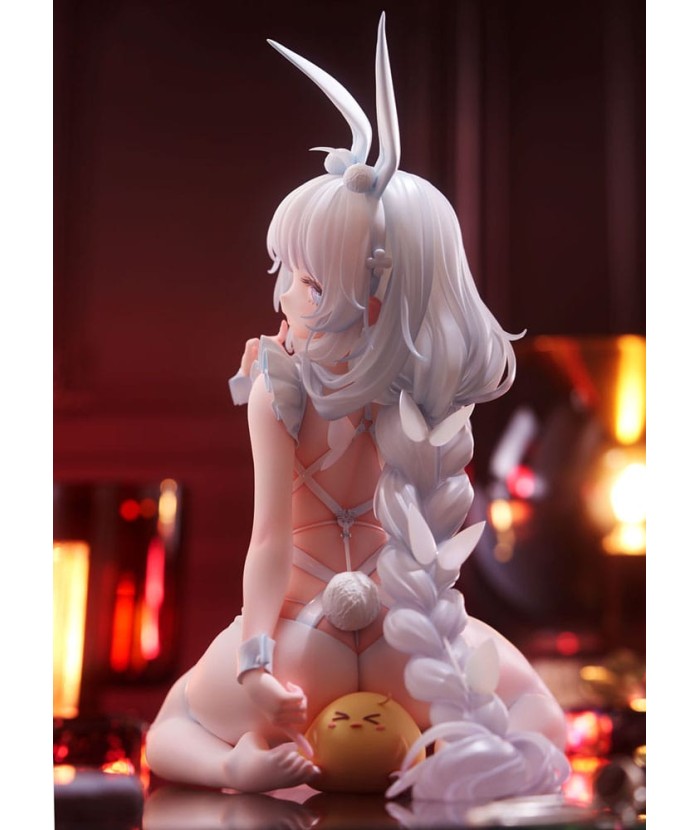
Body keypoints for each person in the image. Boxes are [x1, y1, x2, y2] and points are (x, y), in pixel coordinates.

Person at [146, 14, 569, 800]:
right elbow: (439, 542)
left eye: (304, 280)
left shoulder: (277, 384)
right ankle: (440, 762)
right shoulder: (432, 384)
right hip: (416, 647)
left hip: (302, 643)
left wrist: (256, 662)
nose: (283, 292)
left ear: (367, 299)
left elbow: (270, 542)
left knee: (172, 727)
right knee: (541, 722)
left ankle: (237, 765)